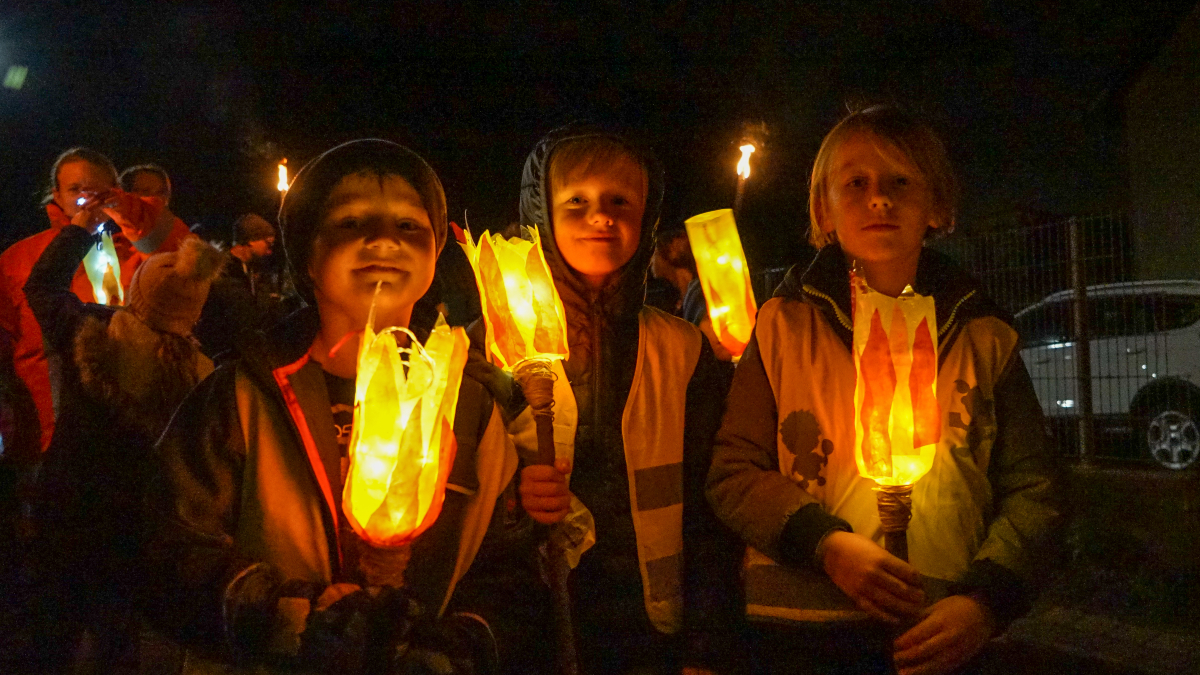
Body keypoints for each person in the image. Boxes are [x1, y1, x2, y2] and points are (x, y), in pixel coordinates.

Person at [142, 139, 546, 674]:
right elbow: (168, 549)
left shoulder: (472, 408)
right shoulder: (243, 397)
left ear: (434, 255)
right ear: (306, 254)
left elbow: (508, 567)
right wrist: (284, 614)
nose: (383, 240)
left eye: (408, 225)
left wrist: (461, 643)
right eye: (351, 222)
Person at [706, 106, 1062, 675]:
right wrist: (825, 544)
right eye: (856, 183)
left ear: (937, 204)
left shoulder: (984, 336)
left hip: (941, 625)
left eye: (900, 181)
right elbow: (733, 471)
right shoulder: (783, 327)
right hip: (801, 629)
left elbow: (1035, 488)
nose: (878, 199)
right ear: (823, 208)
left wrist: (985, 602)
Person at [514, 124, 744, 675]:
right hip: (532, 631)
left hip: (654, 635)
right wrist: (514, 499)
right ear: (542, 214)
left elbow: (711, 508)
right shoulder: (497, 348)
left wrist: (707, 646)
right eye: (577, 201)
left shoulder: (682, 350)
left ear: (647, 218)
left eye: (620, 201)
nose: (601, 216)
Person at [26, 225, 221, 672]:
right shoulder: (203, 375)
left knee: (52, 630)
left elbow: (42, 286)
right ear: (194, 311)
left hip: (65, 509)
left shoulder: (89, 331)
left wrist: (80, 228)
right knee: (116, 639)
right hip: (135, 529)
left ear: (137, 291)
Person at [0, 148, 188, 521]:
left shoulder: (137, 252)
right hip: (48, 440)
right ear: (56, 195)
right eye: (75, 190)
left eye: (98, 191)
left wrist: (127, 210)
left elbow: (185, 255)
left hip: (132, 434)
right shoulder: (19, 258)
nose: (86, 199)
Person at [193, 213, 285, 358]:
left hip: (244, 356)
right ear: (251, 240)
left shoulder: (256, 274)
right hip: (219, 357)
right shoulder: (218, 273)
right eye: (268, 243)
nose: (269, 251)